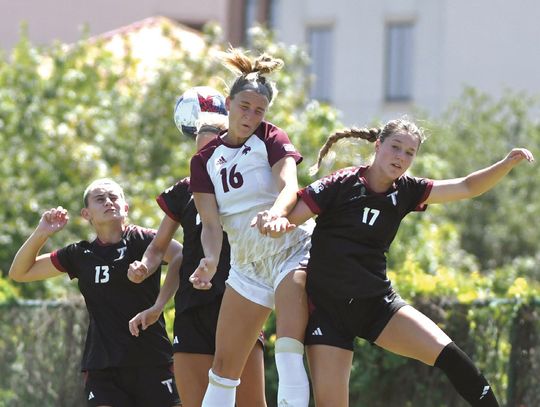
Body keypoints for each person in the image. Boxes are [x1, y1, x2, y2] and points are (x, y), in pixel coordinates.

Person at [262, 120, 534, 407]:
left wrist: (505, 164)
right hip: (328, 314)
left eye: (409, 153)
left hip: (378, 306)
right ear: (378, 146)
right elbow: (290, 220)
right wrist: (274, 222)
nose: (401, 158)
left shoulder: (407, 191)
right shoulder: (340, 184)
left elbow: (466, 186)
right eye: (395, 147)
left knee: (453, 359)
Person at [188, 47, 315, 407]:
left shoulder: (271, 138)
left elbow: (289, 186)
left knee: (288, 352)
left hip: (291, 250)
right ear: (227, 104)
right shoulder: (203, 161)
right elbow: (211, 225)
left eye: (259, 110)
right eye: (244, 107)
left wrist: (277, 214)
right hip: (247, 264)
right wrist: (210, 260)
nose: (251, 116)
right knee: (224, 368)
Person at [127, 111, 267, 407]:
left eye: (211, 150)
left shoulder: (251, 185)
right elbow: (157, 247)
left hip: (240, 299)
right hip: (192, 307)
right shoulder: (184, 190)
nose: (205, 158)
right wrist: (144, 266)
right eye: (199, 151)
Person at [8, 178, 182, 407]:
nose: (109, 202)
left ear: (125, 207)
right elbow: (19, 272)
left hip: (151, 358)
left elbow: (183, 256)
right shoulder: (79, 254)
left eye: (114, 197)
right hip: (103, 365)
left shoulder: (145, 240)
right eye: (100, 199)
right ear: (86, 214)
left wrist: (158, 306)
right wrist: (42, 232)